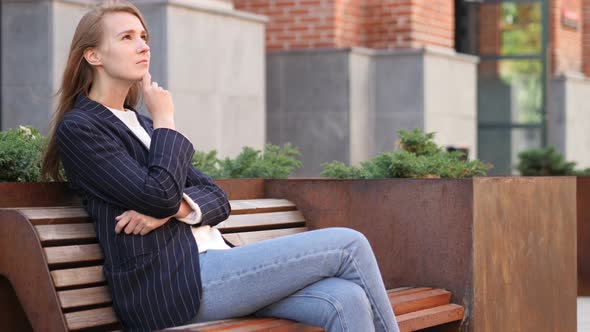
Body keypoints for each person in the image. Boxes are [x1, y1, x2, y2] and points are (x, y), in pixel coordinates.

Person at [41, 2, 400, 331]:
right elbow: (157, 194)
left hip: (218, 267)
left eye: (144, 37)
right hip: (175, 285)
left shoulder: (143, 126)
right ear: (93, 55)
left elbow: (216, 197)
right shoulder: (83, 128)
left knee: (345, 299)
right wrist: (166, 118)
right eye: (127, 37)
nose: (143, 46)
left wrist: (174, 209)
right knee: (349, 245)